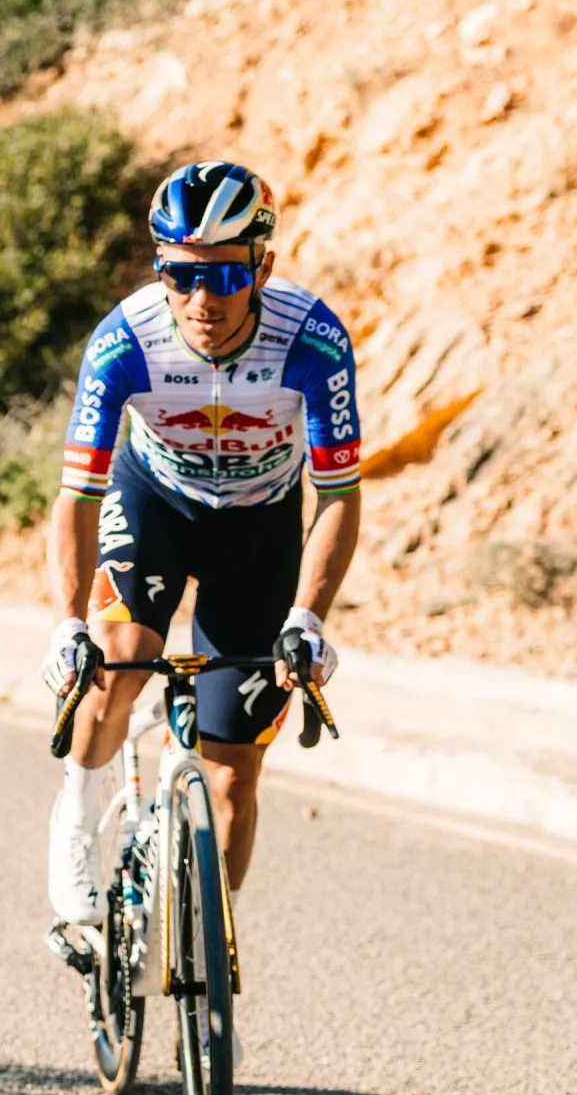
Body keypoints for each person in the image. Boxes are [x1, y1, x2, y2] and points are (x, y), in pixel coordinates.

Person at [42, 161, 359, 952]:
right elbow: (76, 500)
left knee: (231, 772)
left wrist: (309, 616)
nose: (201, 300)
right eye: (180, 275)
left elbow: (341, 495)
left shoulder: (313, 343)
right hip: (157, 508)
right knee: (116, 659)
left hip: (259, 530)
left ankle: (207, 965)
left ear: (262, 266)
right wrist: (63, 622)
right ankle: (78, 810)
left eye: (222, 275)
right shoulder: (124, 342)